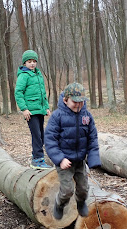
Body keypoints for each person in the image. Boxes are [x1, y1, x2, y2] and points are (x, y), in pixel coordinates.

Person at [44, 83, 101, 219]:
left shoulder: (86, 116)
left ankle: (81, 203)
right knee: (67, 190)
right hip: (64, 160)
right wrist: (60, 159)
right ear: (65, 100)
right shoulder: (57, 116)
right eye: (75, 102)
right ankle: (60, 204)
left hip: (79, 160)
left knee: (83, 189)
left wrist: (93, 159)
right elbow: (50, 140)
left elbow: (92, 138)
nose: (78, 105)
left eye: (81, 102)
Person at [15, 50, 52, 169]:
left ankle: (37, 157)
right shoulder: (23, 75)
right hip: (30, 111)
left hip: (39, 110)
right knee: (36, 135)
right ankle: (37, 160)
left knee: (41, 135)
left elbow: (43, 93)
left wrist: (46, 107)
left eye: (34, 61)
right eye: (29, 61)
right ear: (25, 63)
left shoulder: (38, 74)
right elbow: (18, 93)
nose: (32, 64)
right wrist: (24, 109)